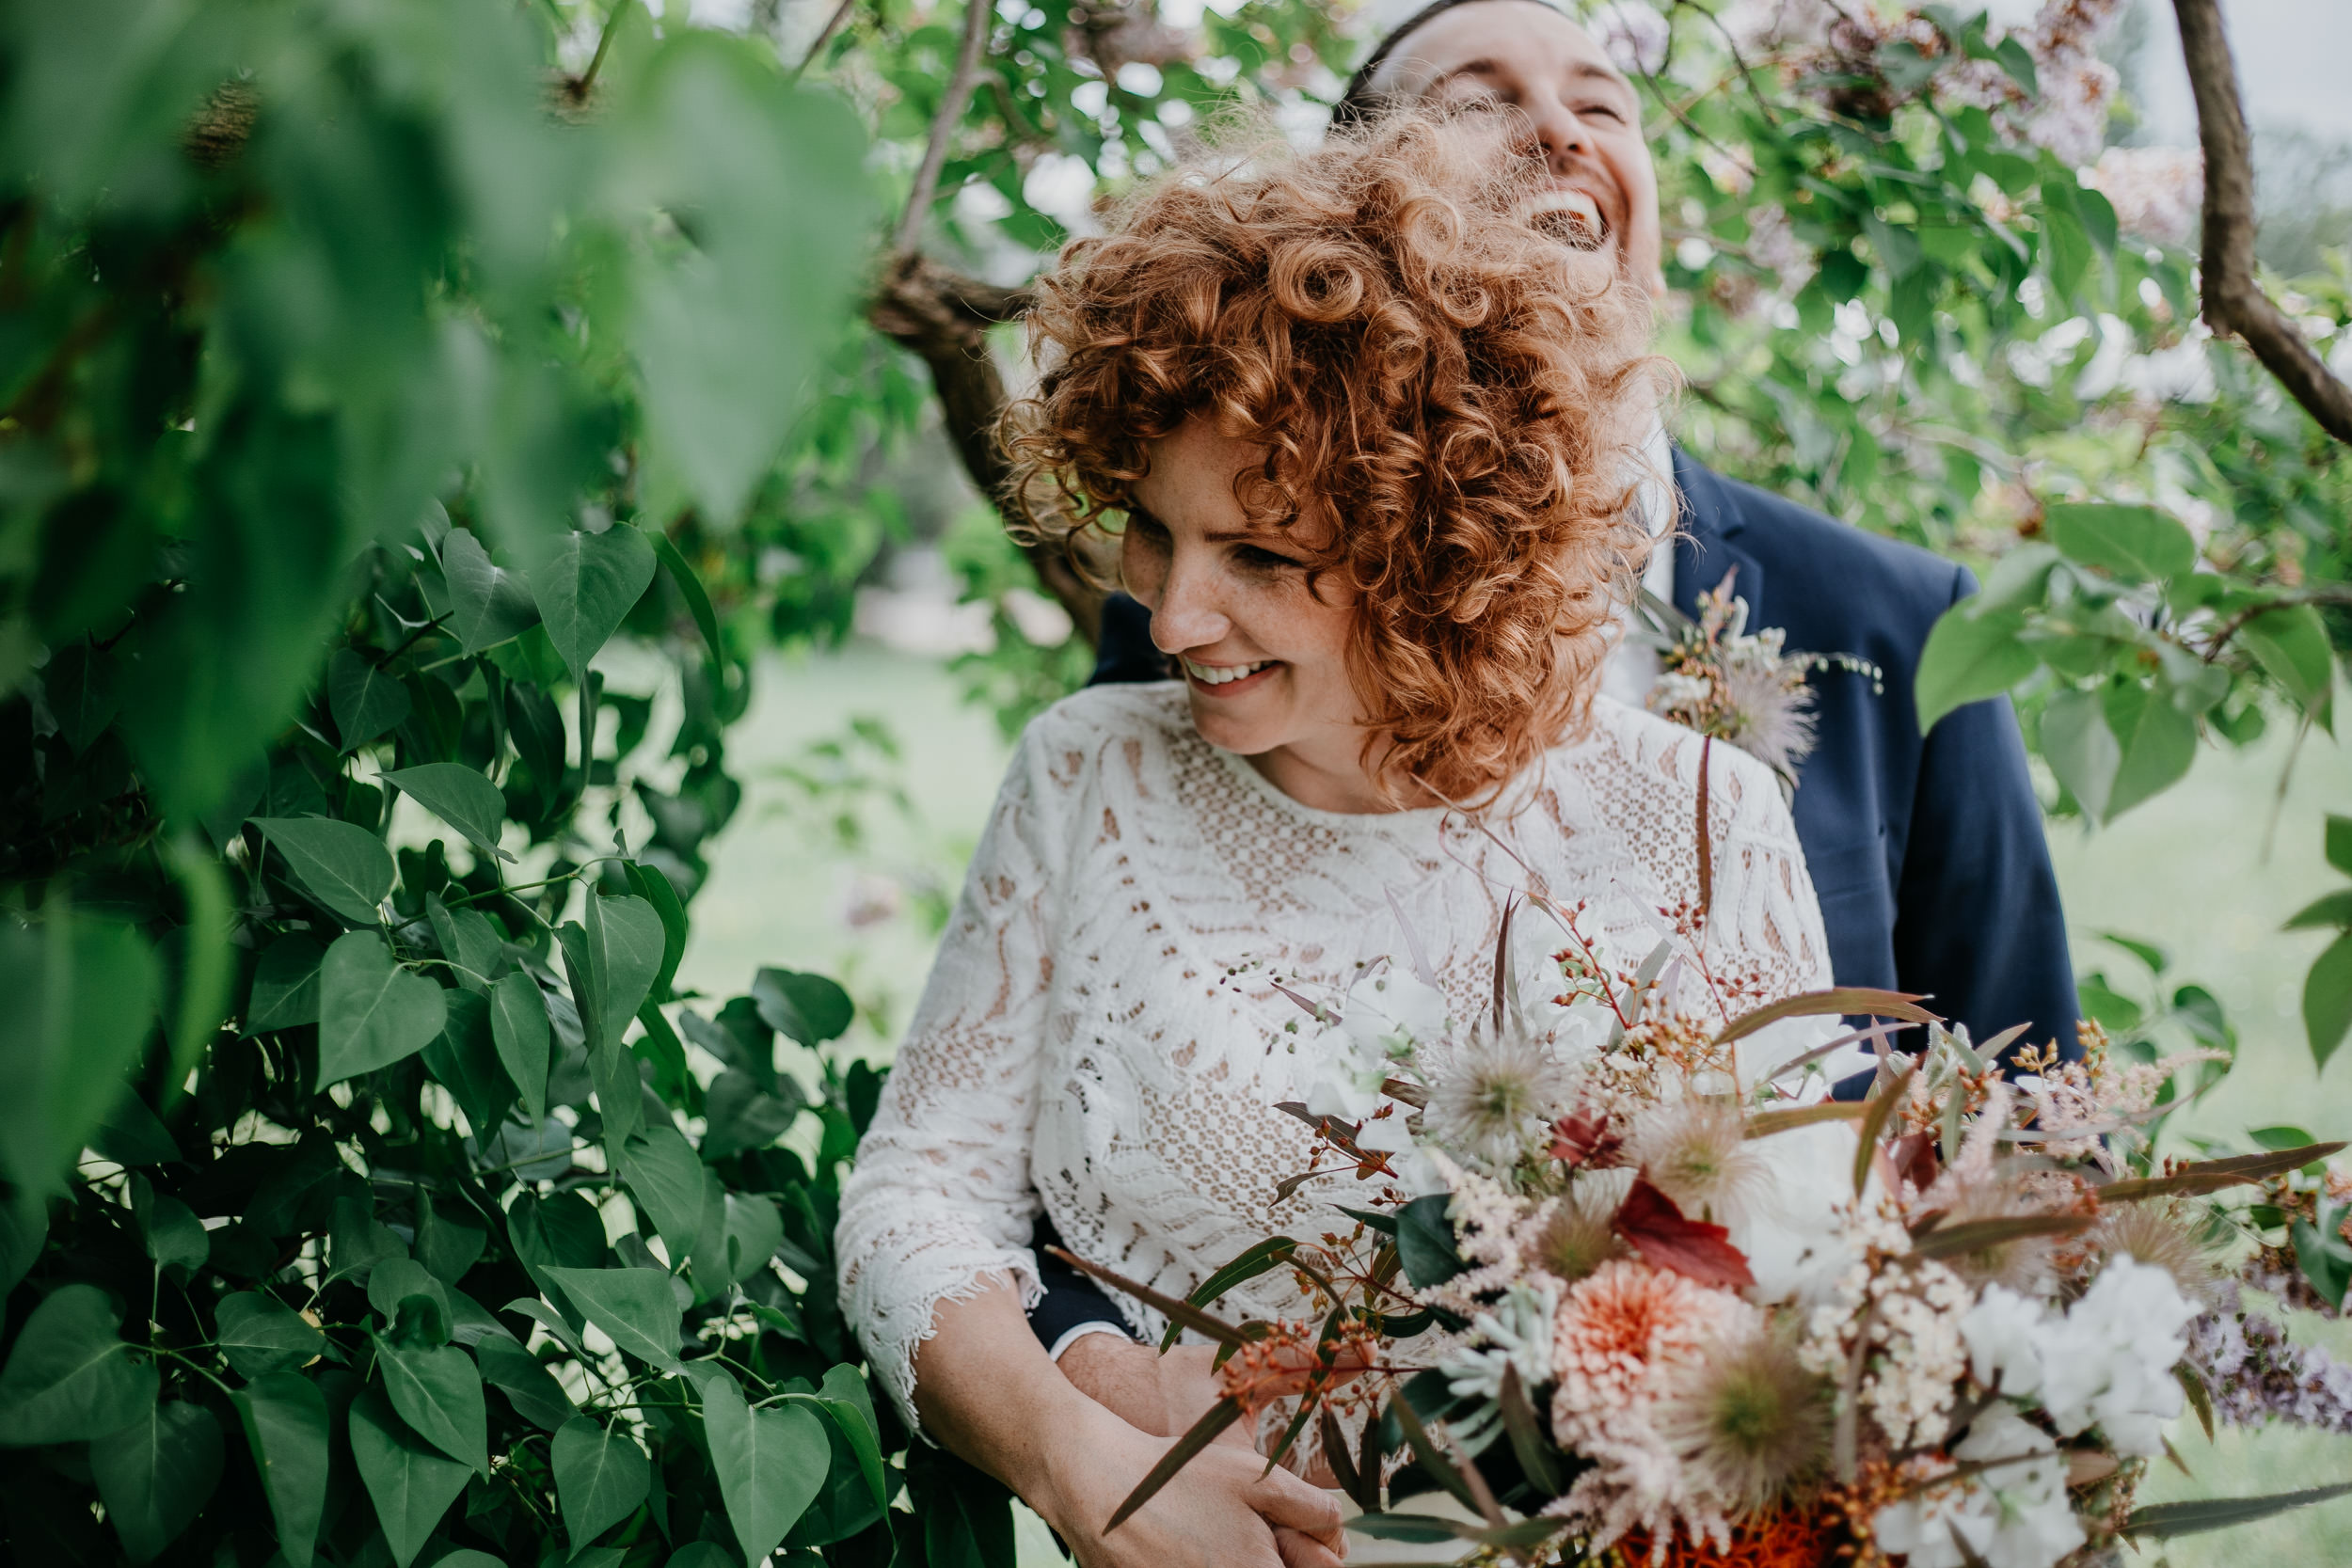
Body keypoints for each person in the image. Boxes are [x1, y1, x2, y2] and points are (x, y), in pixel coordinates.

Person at [1045, 0, 2082, 1478]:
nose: (1564, 131)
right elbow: (1089, 1101)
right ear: (1357, 211)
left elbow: (2028, 1115)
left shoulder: (1904, 628)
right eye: (1479, 97)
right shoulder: (1213, 625)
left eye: (1607, 101)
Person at [837, 110, 1841, 1565]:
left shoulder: (1700, 820)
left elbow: (1797, 1288)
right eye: (1154, 531)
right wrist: (1090, 1452)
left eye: (1261, 556)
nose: (1171, 618)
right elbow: (917, 1195)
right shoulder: (1086, 780)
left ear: (1436, 554)